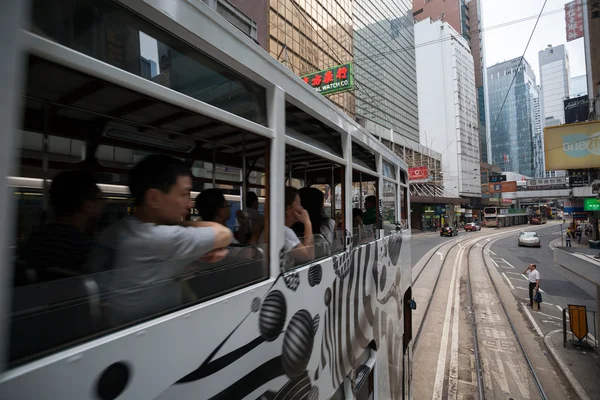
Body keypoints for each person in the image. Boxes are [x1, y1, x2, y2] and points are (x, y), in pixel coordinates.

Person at [85, 155, 233, 323]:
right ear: (154, 198)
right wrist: (186, 226)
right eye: (184, 194)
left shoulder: (116, 230)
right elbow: (224, 234)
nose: (190, 204)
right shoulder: (161, 238)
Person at [17, 170, 105, 284]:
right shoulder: (86, 248)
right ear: (87, 206)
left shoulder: (35, 238)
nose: (105, 202)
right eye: (101, 199)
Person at [195, 188, 262, 245]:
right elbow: (242, 256)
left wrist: (243, 225)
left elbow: (237, 243)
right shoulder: (218, 234)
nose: (229, 208)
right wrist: (256, 234)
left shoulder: (217, 228)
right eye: (227, 205)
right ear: (220, 211)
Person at [283, 186, 315, 264]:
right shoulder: (285, 232)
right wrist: (307, 222)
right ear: (288, 208)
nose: (302, 208)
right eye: (299, 204)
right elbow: (309, 256)